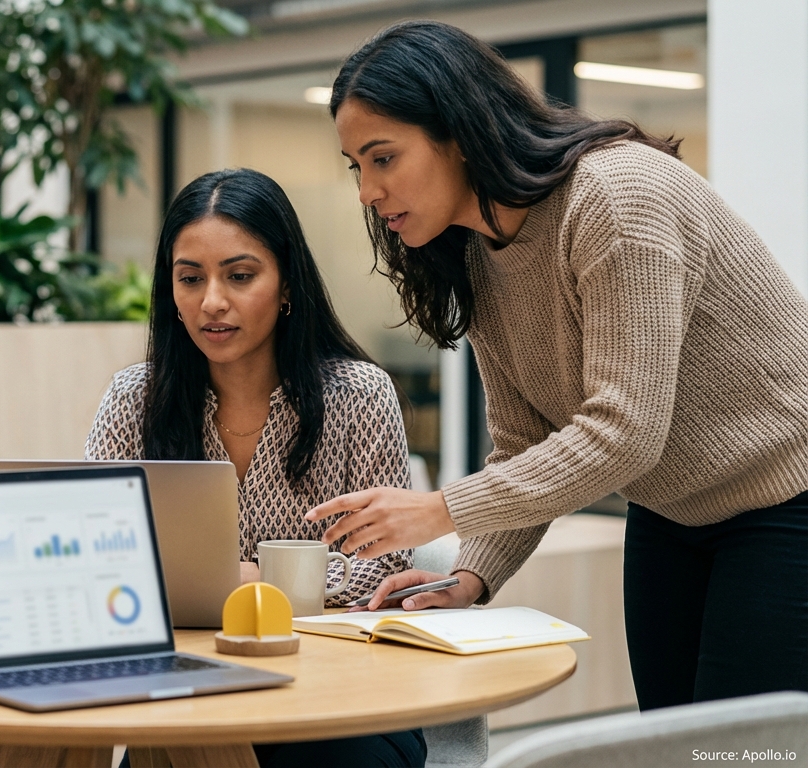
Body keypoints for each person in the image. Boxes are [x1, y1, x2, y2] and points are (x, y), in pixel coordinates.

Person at [305, 19, 808, 712]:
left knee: (750, 756)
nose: (365, 191)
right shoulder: (479, 255)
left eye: (382, 158)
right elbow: (525, 445)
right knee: (675, 748)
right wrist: (472, 574)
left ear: (457, 134)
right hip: (670, 514)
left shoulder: (614, 198)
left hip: (787, 503)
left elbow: (623, 431)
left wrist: (438, 510)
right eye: (356, 166)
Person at [87, 168, 425, 768]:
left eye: (240, 276)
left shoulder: (358, 395)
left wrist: (253, 584)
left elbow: (388, 574)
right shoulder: (134, 400)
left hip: (336, 703)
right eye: (190, 279)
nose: (211, 301)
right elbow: (94, 553)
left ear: (287, 283)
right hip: (183, 700)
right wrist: (269, 583)